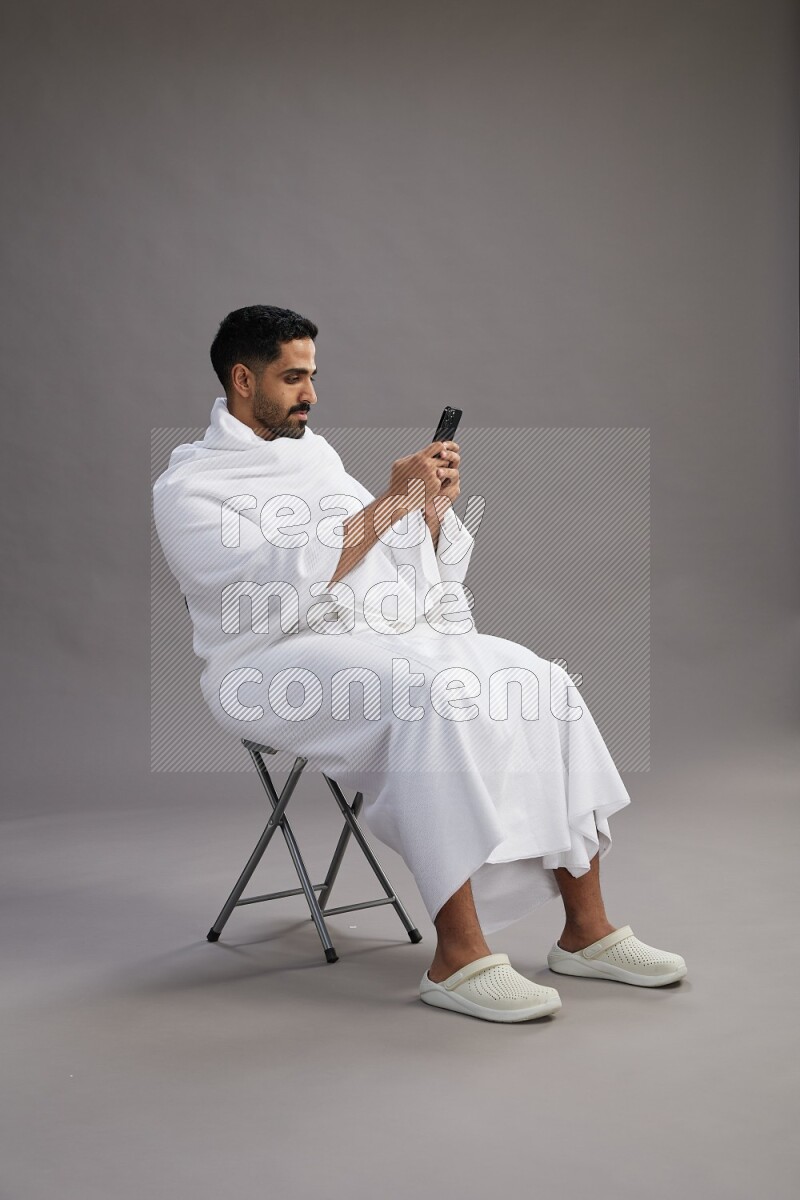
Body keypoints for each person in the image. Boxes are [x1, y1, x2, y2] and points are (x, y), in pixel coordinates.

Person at [152, 304, 687, 1024]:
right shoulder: (189, 490)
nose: (310, 392)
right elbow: (269, 591)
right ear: (243, 380)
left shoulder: (316, 459)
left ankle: (584, 931)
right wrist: (386, 505)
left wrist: (426, 514)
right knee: (429, 694)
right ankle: (457, 956)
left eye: (313, 375)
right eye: (293, 377)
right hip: (267, 662)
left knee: (541, 680)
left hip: (372, 638)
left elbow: (395, 565)